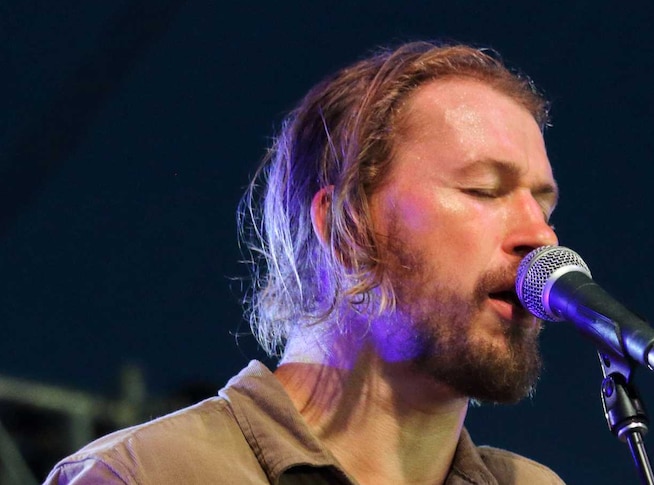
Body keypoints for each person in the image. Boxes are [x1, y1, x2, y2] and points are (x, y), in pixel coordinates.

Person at [45, 41, 564, 484]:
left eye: (544, 206)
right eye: (484, 190)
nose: (540, 235)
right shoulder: (148, 474)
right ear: (348, 227)